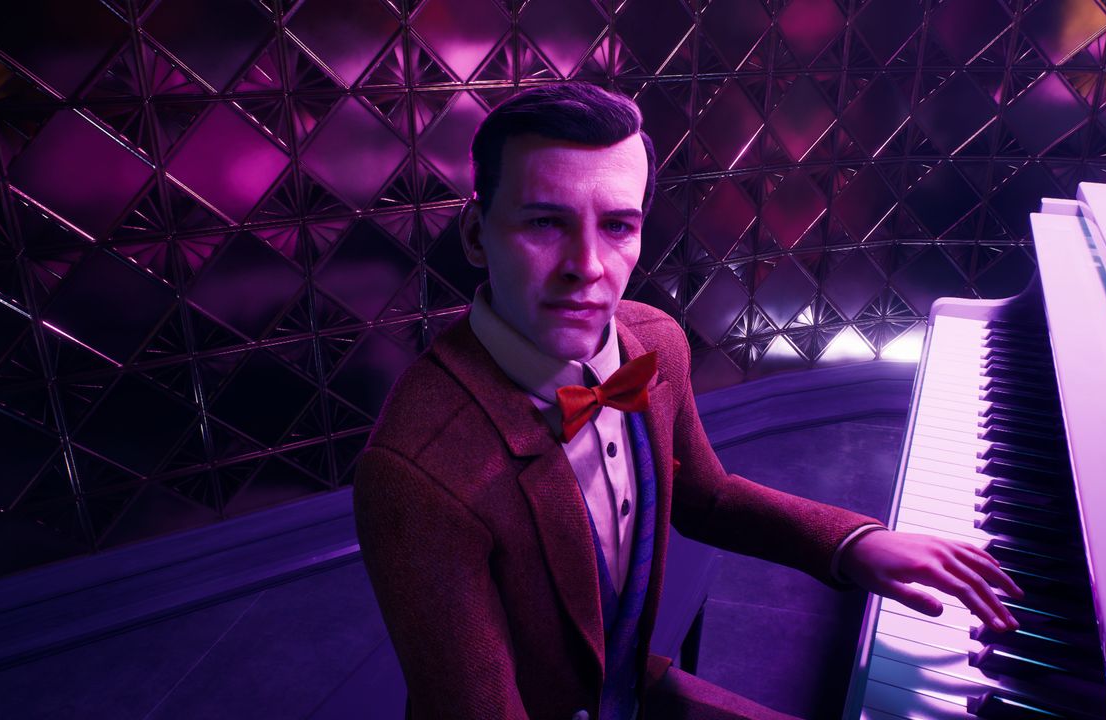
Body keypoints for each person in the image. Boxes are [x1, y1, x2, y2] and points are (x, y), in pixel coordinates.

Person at [352, 82, 1022, 720]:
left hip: (629, 687)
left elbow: (707, 498)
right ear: (476, 235)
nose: (588, 265)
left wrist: (853, 543)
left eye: (617, 226)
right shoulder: (415, 474)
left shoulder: (655, 340)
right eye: (545, 222)